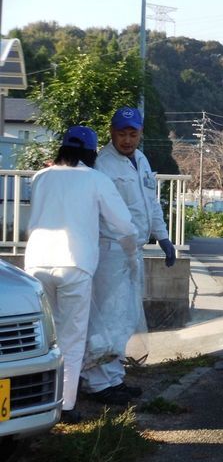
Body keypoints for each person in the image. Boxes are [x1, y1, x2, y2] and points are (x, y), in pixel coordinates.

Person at [25, 126, 138, 423]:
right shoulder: (95, 179)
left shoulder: (40, 177)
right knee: (72, 339)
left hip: (35, 264)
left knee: (43, 339)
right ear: (90, 152)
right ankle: (64, 406)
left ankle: (38, 400)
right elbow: (124, 225)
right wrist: (131, 253)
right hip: (74, 264)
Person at [81, 106, 176, 405]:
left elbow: (151, 203)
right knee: (106, 316)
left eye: (132, 133)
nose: (126, 139)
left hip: (133, 250)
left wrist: (162, 237)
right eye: (121, 133)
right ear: (111, 133)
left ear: (140, 133)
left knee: (124, 315)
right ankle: (97, 383)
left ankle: (114, 378)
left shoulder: (142, 160)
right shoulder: (102, 165)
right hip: (110, 249)